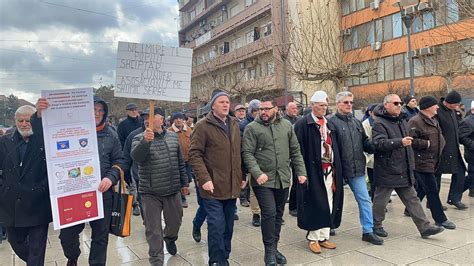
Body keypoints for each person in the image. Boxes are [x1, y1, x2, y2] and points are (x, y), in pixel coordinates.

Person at [59, 97, 125, 266]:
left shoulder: (111, 134)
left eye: (100, 110)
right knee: (67, 236)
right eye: (93, 110)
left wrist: (110, 178)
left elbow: (119, 161)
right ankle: (72, 256)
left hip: (102, 195)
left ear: (105, 113)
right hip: (75, 193)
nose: (97, 113)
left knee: (100, 238)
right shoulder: (73, 131)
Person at [242, 95, 307, 265]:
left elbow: (295, 150)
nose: (263, 112)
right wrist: (256, 172)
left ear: (275, 109)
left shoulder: (286, 125)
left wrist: (301, 172)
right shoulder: (252, 128)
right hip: (263, 181)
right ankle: (269, 252)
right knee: (269, 214)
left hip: (283, 178)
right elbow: (247, 153)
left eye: (266, 109)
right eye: (261, 109)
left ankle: (275, 248)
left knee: (278, 214)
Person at [372, 94, 444, 239]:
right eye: (395, 103)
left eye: (400, 103)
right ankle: (376, 225)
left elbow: (410, 142)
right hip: (388, 168)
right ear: (386, 105)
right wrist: (399, 142)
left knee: (413, 199)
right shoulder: (379, 123)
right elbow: (379, 143)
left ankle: (425, 227)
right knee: (381, 200)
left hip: (404, 168)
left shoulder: (403, 120)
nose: (399, 105)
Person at [189, 89, 245, 266]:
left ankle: (224, 257)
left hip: (231, 186)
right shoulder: (203, 125)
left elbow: (239, 153)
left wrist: (242, 175)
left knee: (228, 226)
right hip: (211, 187)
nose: (226, 104)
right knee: (216, 226)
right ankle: (216, 261)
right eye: (221, 102)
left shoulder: (234, 124)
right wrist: (204, 179)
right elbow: (194, 154)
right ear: (212, 106)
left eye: (227, 101)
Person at [131, 106, 189, 265]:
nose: (146, 120)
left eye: (150, 116)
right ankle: (156, 260)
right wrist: (145, 142)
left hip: (172, 190)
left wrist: (184, 183)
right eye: (144, 118)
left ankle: (170, 238)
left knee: (175, 222)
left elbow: (180, 162)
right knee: (153, 230)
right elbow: (137, 157)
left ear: (162, 120)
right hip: (150, 193)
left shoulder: (172, 137)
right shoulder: (139, 138)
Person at [328, 91, 383, 245]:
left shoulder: (356, 122)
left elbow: (365, 141)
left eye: (351, 102)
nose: (349, 105)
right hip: (337, 170)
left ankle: (368, 230)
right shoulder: (331, 123)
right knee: (333, 200)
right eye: (346, 102)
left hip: (357, 168)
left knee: (365, 200)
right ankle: (329, 224)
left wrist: (377, 146)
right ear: (338, 104)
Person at [0, 103, 51, 265]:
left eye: (28, 120)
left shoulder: (44, 140)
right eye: (20, 121)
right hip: (11, 204)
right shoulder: (5, 141)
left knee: (37, 251)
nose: (23, 124)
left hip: (37, 204)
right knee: (17, 244)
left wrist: (43, 187)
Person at [294, 91, 344, 254]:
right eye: (321, 105)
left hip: (329, 170)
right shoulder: (302, 124)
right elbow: (297, 150)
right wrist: (301, 172)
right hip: (312, 170)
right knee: (316, 203)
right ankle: (313, 237)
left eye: (325, 105)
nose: (324, 108)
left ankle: (323, 235)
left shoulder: (329, 124)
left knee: (329, 202)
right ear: (313, 106)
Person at [407, 96, 456, 229]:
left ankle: (409, 209)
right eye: (435, 105)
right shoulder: (415, 121)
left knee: (423, 188)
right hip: (421, 162)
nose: (438, 107)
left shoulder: (433, 119)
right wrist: (426, 144)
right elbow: (409, 141)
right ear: (428, 107)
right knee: (432, 190)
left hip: (433, 160)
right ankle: (440, 219)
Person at [435, 90, 468, 209]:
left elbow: (458, 128)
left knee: (460, 172)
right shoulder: (437, 111)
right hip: (441, 149)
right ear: (449, 103)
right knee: (436, 176)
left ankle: (454, 198)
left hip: (454, 149)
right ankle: (433, 200)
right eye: (456, 104)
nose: (458, 106)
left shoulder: (453, 112)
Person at [117, 103, 142, 215]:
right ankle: (135, 203)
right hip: (129, 155)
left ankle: (142, 202)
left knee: (142, 180)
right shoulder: (123, 125)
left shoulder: (142, 122)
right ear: (127, 111)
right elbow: (120, 141)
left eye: (135, 109)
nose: (133, 112)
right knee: (132, 182)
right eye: (131, 110)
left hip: (142, 154)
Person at [239, 99, 262, 226]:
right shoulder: (244, 125)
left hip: (264, 161)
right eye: (257, 111)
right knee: (254, 190)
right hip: (252, 161)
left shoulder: (266, 122)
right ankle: (256, 214)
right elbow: (244, 146)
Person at [168, 112, 193, 208]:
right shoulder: (169, 131)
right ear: (173, 120)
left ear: (183, 120)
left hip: (188, 160)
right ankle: (182, 199)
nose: (178, 120)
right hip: (175, 161)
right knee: (179, 180)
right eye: (176, 118)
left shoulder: (189, 130)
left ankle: (184, 191)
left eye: (180, 118)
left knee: (188, 179)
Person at [284, 101, 301, 217]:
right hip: (287, 154)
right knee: (293, 181)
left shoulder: (299, 120)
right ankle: (292, 206)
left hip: (297, 153)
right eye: (293, 108)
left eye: (296, 108)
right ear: (287, 110)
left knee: (298, 180)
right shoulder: (284, 121)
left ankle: (298, 204)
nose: (295, 110)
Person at [362, 104, 377, 200]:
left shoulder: (382, 122)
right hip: (372, 157)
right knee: (373, 181)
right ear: (370, 113)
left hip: (382, 158)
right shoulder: (366, 124)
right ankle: (374, 199)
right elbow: (366, 141)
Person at [459, 101, 474, 198]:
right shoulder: (467, 121)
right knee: (472, 176)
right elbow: (462, 137)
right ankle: (456, 191)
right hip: (472, 153)